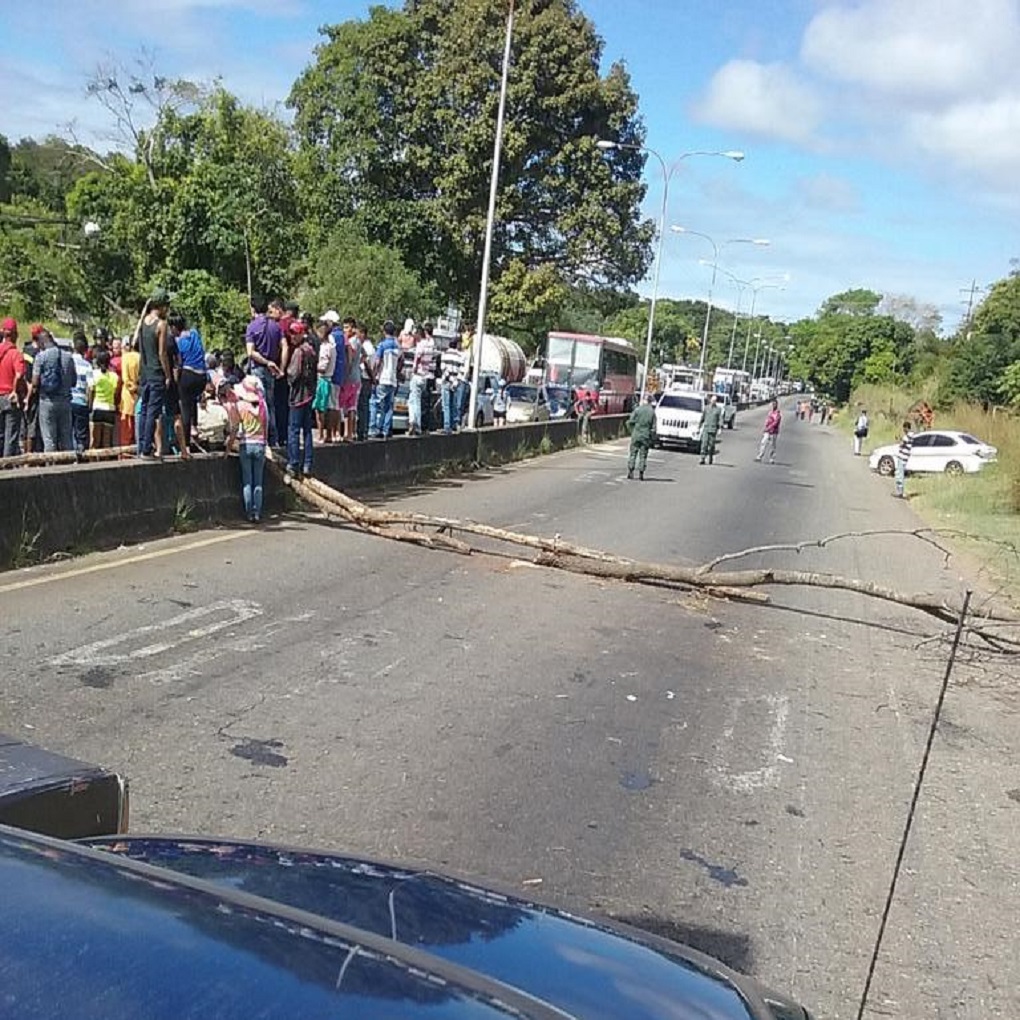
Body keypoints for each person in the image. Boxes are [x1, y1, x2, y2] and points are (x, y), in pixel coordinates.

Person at [223, 377, 268, 523]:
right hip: (260, 444)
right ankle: (257, 513)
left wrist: (228, 449)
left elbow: (235, 429)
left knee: (247, 482)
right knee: (258, 483)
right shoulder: (263, 405)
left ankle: (249, 513)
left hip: (246, 444)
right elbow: (266, 427)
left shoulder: (240, 406)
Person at [244, 296, 284, 446]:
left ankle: (262, 437)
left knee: (259, 404)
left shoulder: (252, 326)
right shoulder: (275, 326)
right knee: (271, 404)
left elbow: (250, 352)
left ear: (253, 309)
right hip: (271, 370)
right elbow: (282, 346)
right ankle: (273, 439)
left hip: (259, 368)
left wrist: (266, 362)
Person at [28, 329, 75, 453]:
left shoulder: (41, 357)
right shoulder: (68, 357)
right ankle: (70, 468)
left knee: (49, 439)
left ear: (42, 343)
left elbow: (35, 382)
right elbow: (74, 381)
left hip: (47, 401)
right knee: (66, 438)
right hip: (65, 401)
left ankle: (51, 468)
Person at [138, 289, 172, 459]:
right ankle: (146, 449)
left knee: (144, 409)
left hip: (144, 373)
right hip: (157, 373)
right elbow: (162, 353)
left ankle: (142, 446)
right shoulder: (161, 324)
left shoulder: (144, 321)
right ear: (162, 306)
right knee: (153, 410)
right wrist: (167, 375)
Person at [283, 320, 317, 478]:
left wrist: (285, 375)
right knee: (307, 431)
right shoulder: (311, 350)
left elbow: (293, 374)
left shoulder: (298, 352)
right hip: (309, 394)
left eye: (294, 333)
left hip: (298, 396)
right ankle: (308, 464)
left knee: (294, 430)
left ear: (301, 334)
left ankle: (294, 463)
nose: (292, 336)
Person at [173, 313, 208, 453]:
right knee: (193, 399)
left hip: (188, 374)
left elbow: (180, 363)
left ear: (174, 327)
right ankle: (194, 426)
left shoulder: (178, 341)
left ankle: (185, 445)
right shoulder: (194, 333)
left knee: (185, 408)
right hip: (202, 377)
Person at [368, 320, 400, 439]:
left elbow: (377, 362)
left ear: (384, 331)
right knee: (388, 407)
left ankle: (373, 429)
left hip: (383, 378)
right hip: (393, 379)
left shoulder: (382, 345)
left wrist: (373, 375)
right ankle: (385, 430)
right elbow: (401, 362)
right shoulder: (397, 346)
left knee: (375, 403)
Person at [0, 317, 27, 457]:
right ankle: (6, 471)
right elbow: (19, 375)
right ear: (15, 334)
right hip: (10, 398)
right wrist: (16, 391)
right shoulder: (15, 354)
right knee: (11, 437)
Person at [87, 348, 119, 449]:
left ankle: (93, 463)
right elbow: (115, 393)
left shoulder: (93, 373)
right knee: (106, 443)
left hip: (97, 408)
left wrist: (89, 406)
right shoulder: (114, 376)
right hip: (109, 409)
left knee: (94, 441)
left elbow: (91, 391)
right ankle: (107, 463)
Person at [408, 322, 436, 436]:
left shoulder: (421, 345)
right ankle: (414, 423)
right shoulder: (432, 344)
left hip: (418, 374)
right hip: (425, 375)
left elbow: (417, 359)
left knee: (414, 401)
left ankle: (415, 424)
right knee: (416, 401)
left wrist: (413, 370)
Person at [313, 319, 337, 445]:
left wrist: (312, 366)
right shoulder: (333, 347)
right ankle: (328, 434)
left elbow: (322, 367)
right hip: (329, 379)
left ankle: (321, 434)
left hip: (322, 379)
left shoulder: (325, 348)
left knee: (320, 409)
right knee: (328, 407)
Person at [70, 332, 93, 455]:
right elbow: (91, 387)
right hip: (82, 402)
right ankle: (80, 455)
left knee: (69, 431)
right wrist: (89, 403)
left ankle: (71, 455)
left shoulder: (68, 361)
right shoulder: (88, 365)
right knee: (81, 433)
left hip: (69, 400)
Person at [626, 392, 656, 480]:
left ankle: (630, 471)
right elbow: (654, 428)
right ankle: (641, 473)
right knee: (643, 455)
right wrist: (651, 436)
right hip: (646, 436)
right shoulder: (652, 412)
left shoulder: (637, 410)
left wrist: (632, 431)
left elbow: (629, 422)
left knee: (633, 454)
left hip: (636, 434)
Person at [439, 337, 465, 433]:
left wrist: (449, 378)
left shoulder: (445, 355)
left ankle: (447, 425)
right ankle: (454, 424)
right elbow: (461, 371)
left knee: (446, 405)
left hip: (446, 381)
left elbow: (443, 369)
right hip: (455, 383)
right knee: (454, 404)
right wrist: (455, 381)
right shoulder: (460, 356)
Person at [355, 323, 374, 441]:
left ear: (363, 333)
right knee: (364, 406)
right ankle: (364, 430)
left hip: (365, 378)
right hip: (367, 378)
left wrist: (372, 376)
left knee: (362, 406)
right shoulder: (370, 346)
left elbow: (366, 363)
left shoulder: (366, 347)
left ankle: (362, 430)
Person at [755, 399, 781, 464]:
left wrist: (769, 428)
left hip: (773, 431)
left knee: (772, 445)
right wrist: (766, 427)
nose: (773, 405)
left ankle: (772, 458)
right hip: (767, 431)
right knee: (763, 443)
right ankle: (760, 456)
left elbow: (776, 422)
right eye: (772, 404)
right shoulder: (770, 412)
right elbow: (767, 421)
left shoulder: (777, 413)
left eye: (774, 404)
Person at [699, 393, 722, 465]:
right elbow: (702, 418)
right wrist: (699, 427)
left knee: (711, 445)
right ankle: (702, 458)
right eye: (712, 400)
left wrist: (720, 428)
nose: (713, 402)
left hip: (713, 429)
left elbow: (720, 419)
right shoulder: (706, 408)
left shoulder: (718, 409)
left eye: (715, 400)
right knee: (704, 444)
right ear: (710, 401)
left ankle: (711, 457)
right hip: (706, 428)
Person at [894, 420, 913, 499]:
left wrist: (899, 439)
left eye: (904, 428)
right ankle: (899, 491)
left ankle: (900, 492)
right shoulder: (909, 436)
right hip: (903, 457)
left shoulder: (908, 436)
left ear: (906, 428)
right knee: (899, 473)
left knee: (900, 474)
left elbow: (902, 444)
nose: (903, 430)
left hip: (903, 457)